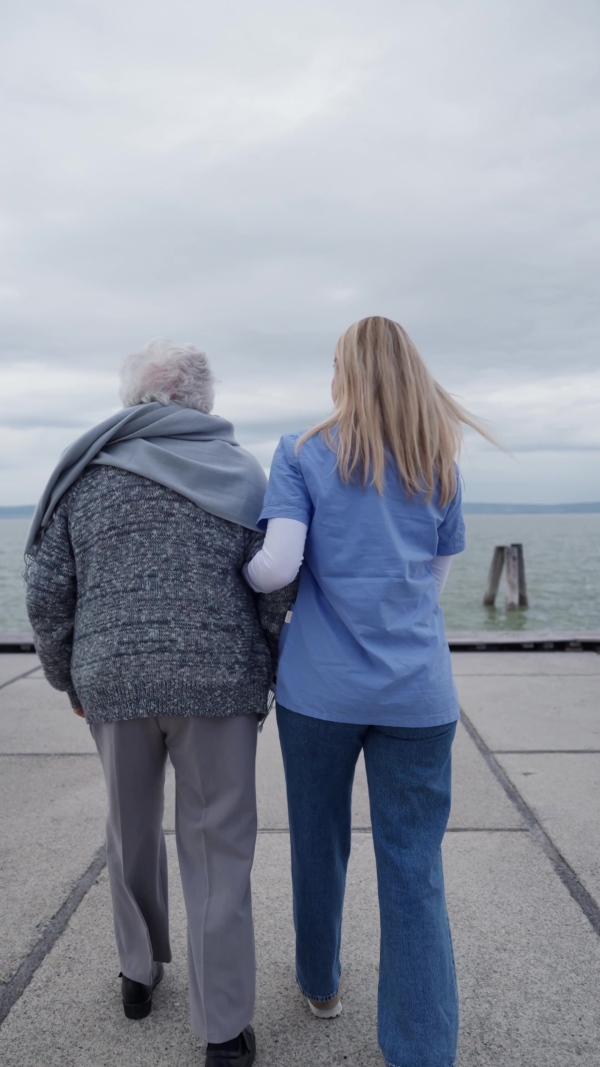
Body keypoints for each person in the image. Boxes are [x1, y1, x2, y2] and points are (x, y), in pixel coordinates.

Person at [25, 339, 296, 1067]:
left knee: (129, 828)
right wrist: (267, 666)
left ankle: (138, 974)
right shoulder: (243, 475)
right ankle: (224, 1031)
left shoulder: (84, 475)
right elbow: (275, 586)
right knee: (219, 849)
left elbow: (48, 593)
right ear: (205, 400)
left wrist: (67, 677)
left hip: (113, 681)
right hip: (218, 685)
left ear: (130, 396)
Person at [244, 316, 496, 1067]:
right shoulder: (439, 460)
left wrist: (241, 569)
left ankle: (321, 984)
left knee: (318, 844)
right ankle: (421, 1048)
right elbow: (436, 582)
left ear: (345, 372)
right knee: (414, 863)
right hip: (418, 694)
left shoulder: (299, 451)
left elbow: (279, 565)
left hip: (319, 692)